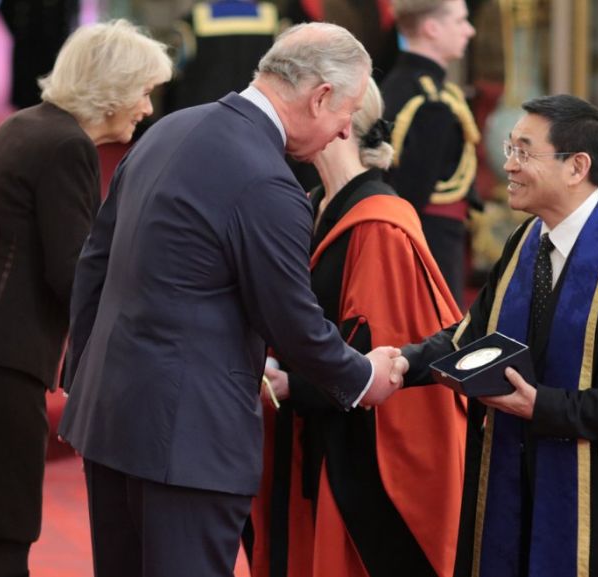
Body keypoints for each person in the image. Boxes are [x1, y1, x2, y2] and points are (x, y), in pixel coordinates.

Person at [57, 22, 405, 577]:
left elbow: (94, 262)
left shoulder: (170, 129)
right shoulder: (267, 180)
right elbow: (292, 321)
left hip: (112, 419)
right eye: (347, 112)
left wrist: (86, 378)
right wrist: (362, 377)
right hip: (187, 443)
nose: (346, 131)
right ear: (319, 97)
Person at [0, 20, 172, 577]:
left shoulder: (26, 126)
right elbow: (74, 275)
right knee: (8, 527)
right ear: (111, 90)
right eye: (143, 91)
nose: (146, 107)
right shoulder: (67, 146)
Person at [399, 94, 598, 577]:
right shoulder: (527, 241)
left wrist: (547, 408)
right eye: (510, 148)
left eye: (524, 152)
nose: (508, 165)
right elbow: (473, 337)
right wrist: (401, 364)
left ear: (577, 167)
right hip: (519, 483)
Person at [248, 77, 466, 577]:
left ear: (338, 119)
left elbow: (382, 355)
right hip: (304, 436)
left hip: (352, 457)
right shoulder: (313, 203)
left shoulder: (380, 225)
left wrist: (294, 383)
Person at [381, 0, 480, 307]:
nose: (469, 30)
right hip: (430, 246)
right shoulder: (429, 102)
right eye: (460, 21)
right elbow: (410, 198)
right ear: (432, 28)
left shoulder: (404, 86)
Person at [163, 0, 280, 114]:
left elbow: (174, 68)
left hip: (206, 111)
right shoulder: (272, 16)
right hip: (256, 110)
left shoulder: (194, 18)